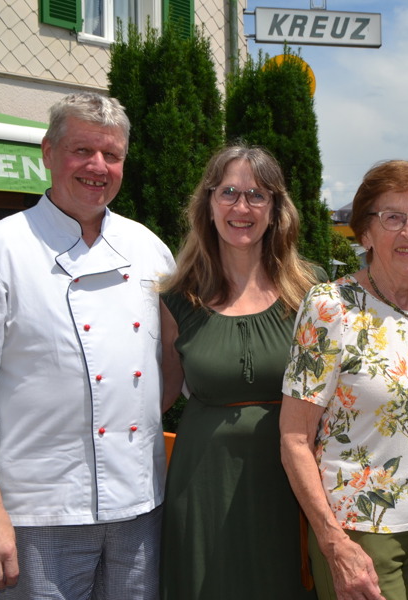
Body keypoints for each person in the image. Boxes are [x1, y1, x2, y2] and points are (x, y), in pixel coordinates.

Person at [0, 92, 175, 599]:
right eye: (81, 151)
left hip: (139, 508)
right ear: (48, 153)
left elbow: (170, 363)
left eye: (111, 155)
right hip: (38, 513)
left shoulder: (148, 248)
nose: (97, 166)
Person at [280, 160, 408, 600]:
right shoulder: (331, 306)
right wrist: (332, 541)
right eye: (392, 217)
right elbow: (294, 438)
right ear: (365, 233)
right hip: (360, 530)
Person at [158, 145, 322, 600]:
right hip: (203, 480)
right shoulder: (177, 299)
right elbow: (161, 393)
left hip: (289, 481)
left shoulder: (311, 294)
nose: (241, 207)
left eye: (257, 195)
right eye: (228, 192)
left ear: (276, 210)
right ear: (208, 205)